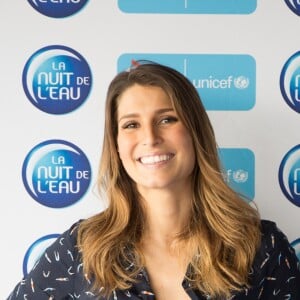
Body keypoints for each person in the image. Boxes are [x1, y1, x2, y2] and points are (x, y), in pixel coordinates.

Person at [7, 61, 300, 300]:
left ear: (195, 132)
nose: (150, 138)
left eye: (167, 119)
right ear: (117, 145)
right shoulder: (83, 248)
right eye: (131, 125)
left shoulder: (260, 247)